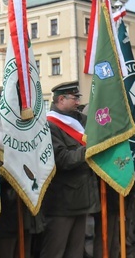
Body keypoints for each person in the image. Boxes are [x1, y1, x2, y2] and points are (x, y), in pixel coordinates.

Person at [41, 81, 99, 258]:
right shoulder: (50, 125)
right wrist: (91, 148)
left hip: (82, 197)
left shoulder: (80, 119)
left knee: (76, 251)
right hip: (62, 201)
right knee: (55, 250)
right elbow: (63, 159)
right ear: (61, 99)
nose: (77, 102)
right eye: (74, 98)